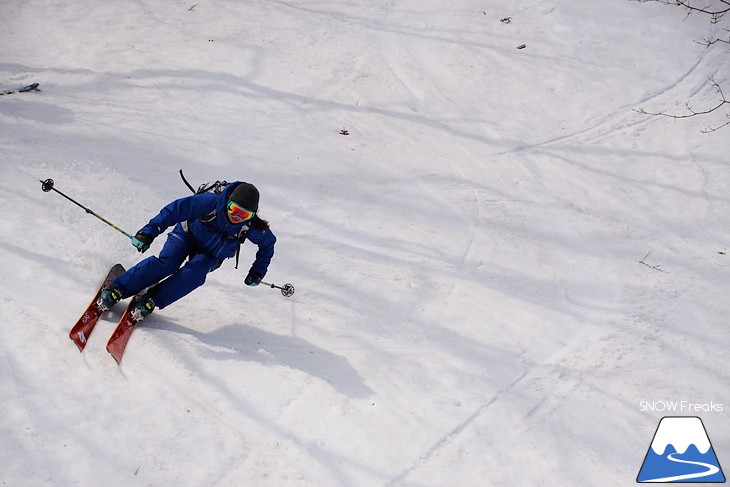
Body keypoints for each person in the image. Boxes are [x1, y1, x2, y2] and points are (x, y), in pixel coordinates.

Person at [97, 181, 276, 320]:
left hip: (211, 255)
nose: (237, 218)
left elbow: (268, 244)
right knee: (167, 263)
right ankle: (118, 289)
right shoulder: (210, 203)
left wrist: (257, 272)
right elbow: (175, 210)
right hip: (186, 235)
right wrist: (148, 232)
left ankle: (152, 301)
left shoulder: (250, 226)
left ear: (252, 215)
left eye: (244, 215)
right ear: (228, 203)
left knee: (195, 273)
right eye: (234, 210)